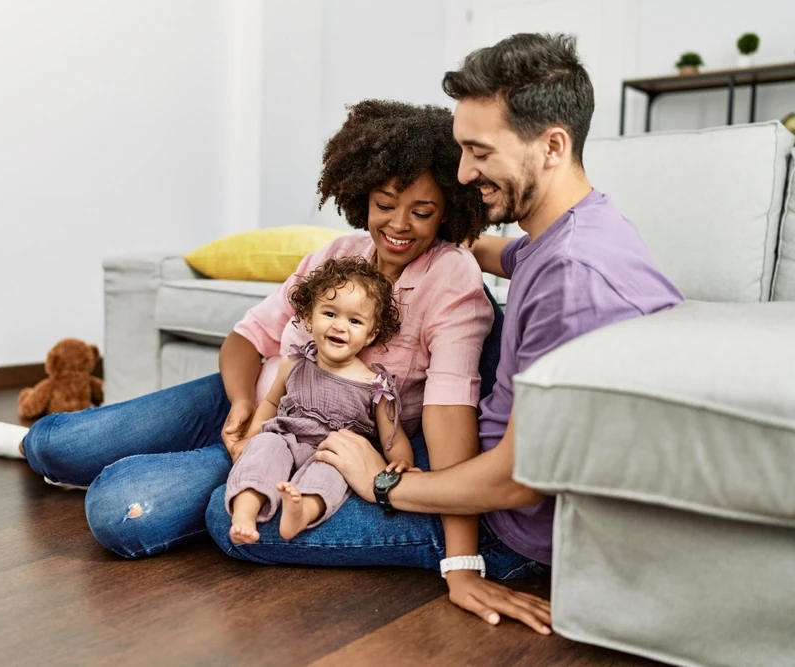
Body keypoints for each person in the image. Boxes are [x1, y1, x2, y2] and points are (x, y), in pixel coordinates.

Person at [205, 33, 684, 636]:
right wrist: (436, 235)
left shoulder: (572, 282)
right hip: (460, 466)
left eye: (479, 152)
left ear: (552, 146)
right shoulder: (576, 230)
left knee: (229, 525)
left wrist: (379, 484)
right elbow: (505, 253)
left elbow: (516, 479)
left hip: (509, 525)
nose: (463, 172)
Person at [0, 99, 505, 591]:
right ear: (360, 193)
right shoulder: (336, 254)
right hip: (249, 403)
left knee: (119, 511)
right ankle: (32, 448)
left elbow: (449, 412)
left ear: (448, 212)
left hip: (310, 444)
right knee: (60, 447)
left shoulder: (450, 277)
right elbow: (247, 338)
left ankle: (234, 477)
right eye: (386, 204)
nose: (400, 225)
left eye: (423, 211)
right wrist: (243, 403)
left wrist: (460, 563)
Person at [227, 257, 416, 545]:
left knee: (332, 469)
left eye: (354, 321)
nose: (340, 326)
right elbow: (270, 404)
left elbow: (392, 435)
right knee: (265, 446)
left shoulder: (375, 384)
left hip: (332, 450)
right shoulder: (294, 363)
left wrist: (403, 462)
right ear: (309, 317)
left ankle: (301, 511)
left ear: (371, 334)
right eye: (330, 314)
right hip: (286, 439)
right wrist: (249, 438)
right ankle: (245, 515)